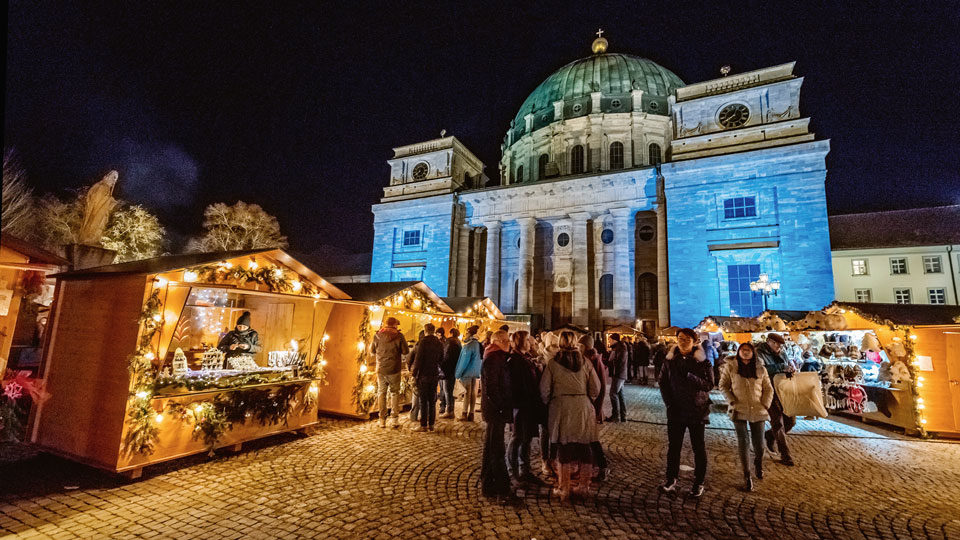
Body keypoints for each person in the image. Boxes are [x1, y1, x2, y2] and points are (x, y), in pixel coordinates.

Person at [540, 331, 601, 501]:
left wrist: (550, 401)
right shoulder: (586, 362)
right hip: (582, 407)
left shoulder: (552, 364)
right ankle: (583, 486)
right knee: (584, 446)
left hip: (561, 407)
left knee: (563, 447)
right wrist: (586, 398)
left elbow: (544, 390)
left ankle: (564, 488)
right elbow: (596, 387)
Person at [658, 328, 714, 498]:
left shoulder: (703, 362)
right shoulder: (670, 361)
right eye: (680, 338)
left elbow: (709, 384)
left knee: (698, 447)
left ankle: (698, 483)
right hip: (675, 410)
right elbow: (662, 383)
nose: (683, 341)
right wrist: (669, 403)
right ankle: (671, 479)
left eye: (687, 339)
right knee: (674, 448)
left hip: (697, 409)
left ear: (694, 341)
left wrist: (690, 376)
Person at [718, 342, 773, 492]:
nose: (746, 352)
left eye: (748, 350)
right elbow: (723, 385)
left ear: (753, 352)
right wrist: (731, 400)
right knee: (743, 442)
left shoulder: (760, 368)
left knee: (759, 445)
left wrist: (766, 403)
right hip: (739, 409)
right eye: (743, 350)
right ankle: (746, 474)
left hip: (758, 409)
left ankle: (758, 463)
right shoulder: (731, 366)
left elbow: (768, 388)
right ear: (739, 352)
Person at [507, 331, 547, 485]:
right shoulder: (515, 360)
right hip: (521, 406)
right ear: (521, 342)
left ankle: (525, 470)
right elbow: (515, 384)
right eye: (528, 340)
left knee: (527, 438)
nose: (531, 343)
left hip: (529, 405)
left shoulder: (526, 358)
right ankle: (514, 471)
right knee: (517, 437)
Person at [480, 330, 515, 500]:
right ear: (499, 341)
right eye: (507, 340)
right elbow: (492, 387)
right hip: (496, 410)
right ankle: (501, 487)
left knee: (490, 447)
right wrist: (501, 406)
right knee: (496, 449)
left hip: (496, 409)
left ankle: (487, 483)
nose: (509, 343)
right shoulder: (494, 358)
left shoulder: (495, 356)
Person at [756, 333, 797, 466]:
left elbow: (786, 366)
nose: (778, 347)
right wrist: (781, 367)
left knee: (791, 421)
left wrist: (790, 370)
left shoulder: (783, 353)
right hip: (769, 391)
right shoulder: (759, 353)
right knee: (777, 422)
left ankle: (769, 435)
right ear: (768, 341)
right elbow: (760, 370)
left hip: (784, 391)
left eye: (780, 345)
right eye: (776, 344)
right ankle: (785, 454)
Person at [578, 334, 609, 481]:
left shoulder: (594, 360)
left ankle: (602, 467)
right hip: (587, 405)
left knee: (592, 439)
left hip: (592, 406)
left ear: (586, 346)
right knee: (587, 438)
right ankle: (589, 466)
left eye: (580, 345)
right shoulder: (587, 359)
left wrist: (597, 409)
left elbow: (601, 387)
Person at [371, 317, 409, 428]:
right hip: (394, 369)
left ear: (385, 324)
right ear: (395, 325)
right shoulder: (399, 336)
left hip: (381, 369)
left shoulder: (377, 335)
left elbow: (372, 351)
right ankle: (394, 420)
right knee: (394, 393)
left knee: (381, 393)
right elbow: (406, 351)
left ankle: (382, 420)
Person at [410, 323, 443, 432]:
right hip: (434, 374)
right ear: (433, 331)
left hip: (424, 375)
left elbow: (418, 360)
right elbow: (441, 359)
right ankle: (431, 425)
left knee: (423, 401)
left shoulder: (423, 342)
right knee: (432, 401)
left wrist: (414, 374)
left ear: (425, 331)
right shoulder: (438, 342)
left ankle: (423, 425)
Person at [454, 325, 483, 421]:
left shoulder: (469, 345)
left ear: (470, 334)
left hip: (467, 373)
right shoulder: (478, 344)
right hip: (476, 372)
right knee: (473, 394)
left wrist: (458, 374)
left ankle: (464, 413)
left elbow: (464, 361)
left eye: (466, 333)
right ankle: (471, 413)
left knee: (467, 393)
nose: (465, 335)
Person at [605, 333, 628, 423]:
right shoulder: (619, 347)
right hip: (620, 374)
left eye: (610, 340)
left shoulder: (620, 348)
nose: (609, 341)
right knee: (620, 394)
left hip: (618, 374)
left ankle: (616, 416)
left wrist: (611, 361)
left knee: (613, 394)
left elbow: (619, 361)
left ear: (614, 340)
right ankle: (623, 416)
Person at [439, 328, 461, 418]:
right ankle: (451, 410)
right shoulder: (458, 342)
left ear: (451, 333)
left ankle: (449, 411)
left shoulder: (449, 342)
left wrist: (441, 367)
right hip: (454, 369)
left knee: (447, 391)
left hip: (447, 370)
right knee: (450, 391)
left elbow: (446, 356)